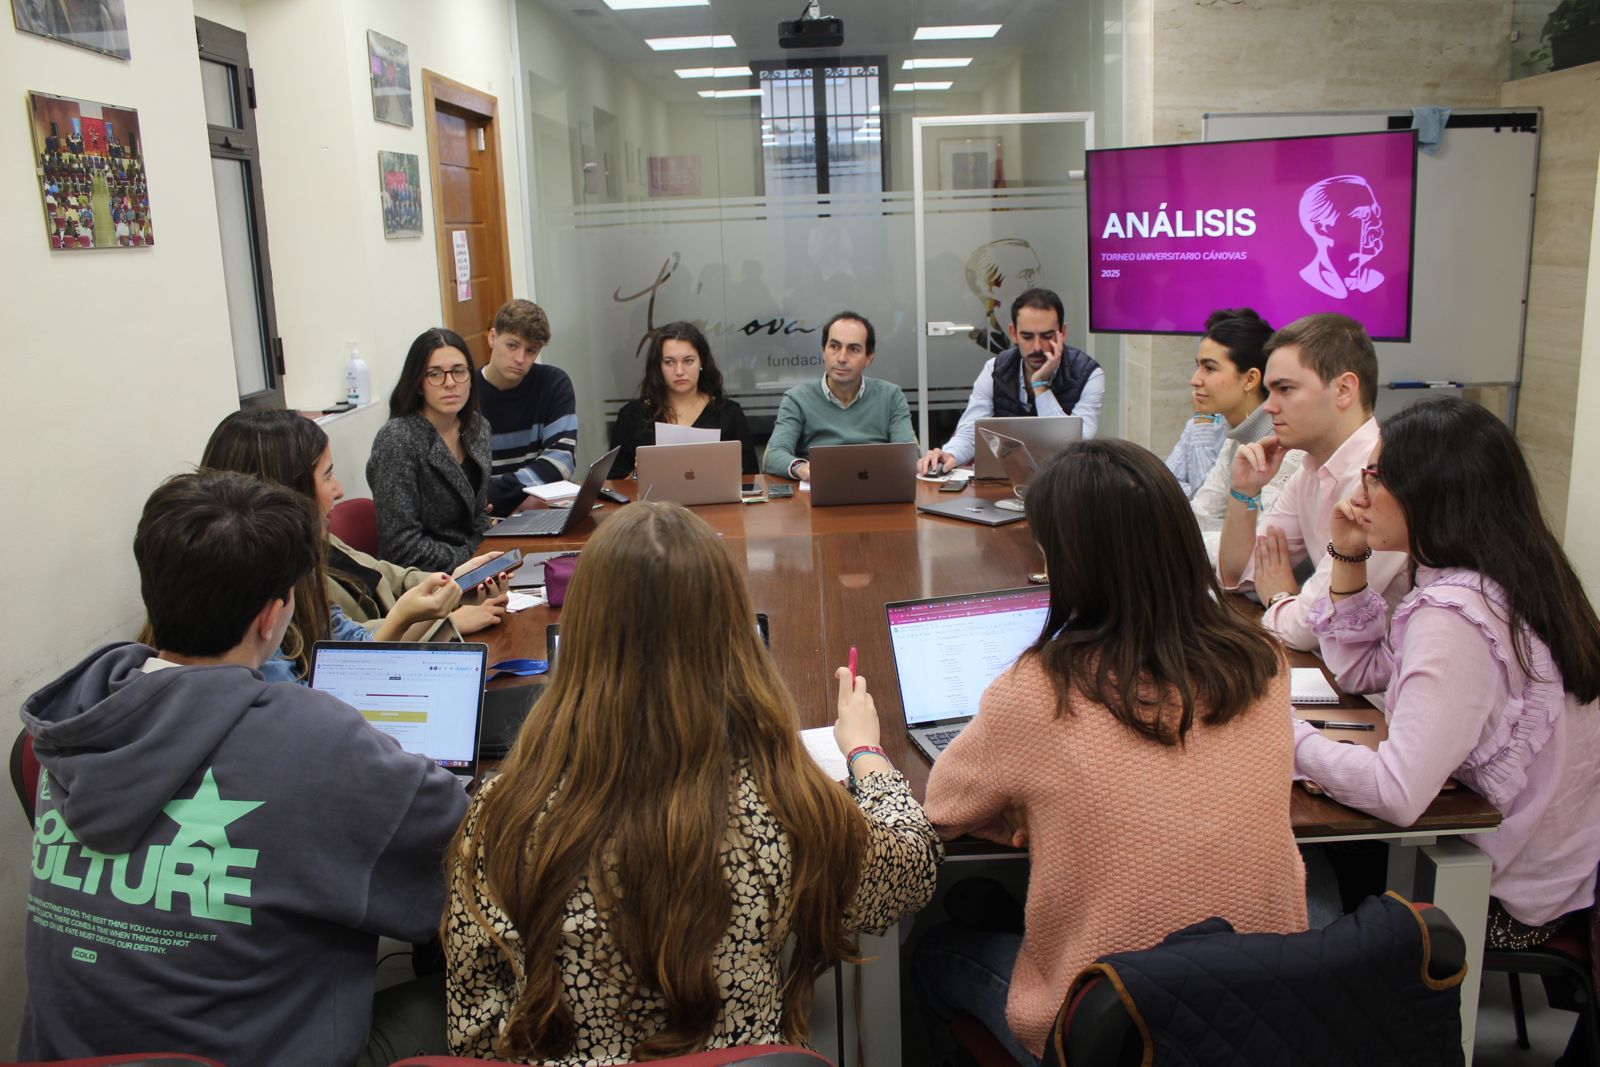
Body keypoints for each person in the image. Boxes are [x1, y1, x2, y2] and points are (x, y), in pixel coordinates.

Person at [443, 502, 942, 1063]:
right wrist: (866, 753)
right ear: (732, 636)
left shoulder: (503, 813)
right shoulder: (783, 804)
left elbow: (473, 1031)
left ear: (581, 636)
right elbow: (911, 872)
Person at [19, 470, 469, 1067]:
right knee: (493, 997)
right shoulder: (312, 738)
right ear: (270, 616)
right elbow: (471, 852)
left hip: (65, 1055)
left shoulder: (84, 721)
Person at [919, 440, 1307, 1065]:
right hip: (1263, 1019)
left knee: (933, 953)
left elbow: (942, 809)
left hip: (1110, 1035)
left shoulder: (1040, 690)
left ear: (1071, 562)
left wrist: (1026, 811)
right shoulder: (1263, 663)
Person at [1297, 397, 1600, 951]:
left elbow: (1397, 792)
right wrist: (1348, 554)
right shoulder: (1510, 572)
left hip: (1498, 894)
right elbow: (1359, 671)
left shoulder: (1456, 612)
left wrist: (1285, 738)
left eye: (1376, 475)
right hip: (1555, 874)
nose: (1360, 492)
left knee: (1301, 857)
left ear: (1430, 490)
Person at [203, 409, 510, 652]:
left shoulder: (317, 541)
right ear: (287, 489)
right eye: (327, 476)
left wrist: (454, 583)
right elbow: (344, 651)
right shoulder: (282, 589)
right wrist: (444, 619)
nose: (339, 490)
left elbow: (384, 574)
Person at [1217, 313, 1409, 651]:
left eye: (1285, 389)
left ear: (1344, 390)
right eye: (1269, 391)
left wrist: (1278, 597)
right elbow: (1238, 576)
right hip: (1348, 669)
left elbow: (1310, 628)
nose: (1268, 407)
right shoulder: (1309, 470)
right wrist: (1244, 491)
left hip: (1391, 678)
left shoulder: (1383, 477)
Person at [919, 288, 1104, 475]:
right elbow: (971, 431)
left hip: (1062, 481)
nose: (1037, 347)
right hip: (1004, 479)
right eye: (1027, 336)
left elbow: (1075, 452)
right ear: (1013, 333)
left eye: (1047, 336)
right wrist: (949, 454)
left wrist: (1040, 386)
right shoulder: (995, 369)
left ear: (1062, 333)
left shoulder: (1089, 374)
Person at [368, 327, 493, 572]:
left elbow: (477, 516)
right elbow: (400, 547)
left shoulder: (478, 428)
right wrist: (471, 556)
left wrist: (492, 547)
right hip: (424, 579)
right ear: (418, 384)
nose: (450, 383)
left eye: (459, 371)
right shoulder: (397, 439)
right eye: (435, 374)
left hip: (474, 565)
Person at [1186, 309, 1305, 535]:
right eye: (1197, 366)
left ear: (1250, 379)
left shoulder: (1287, 448)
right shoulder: (1236, 437)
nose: (1195, 380)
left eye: (1209, 368)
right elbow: (1199, 517)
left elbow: (1260, 542)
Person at [762, 311, 917, 482]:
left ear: (868, 358)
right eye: (834, 346)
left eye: (854, 349)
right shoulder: (797, 398)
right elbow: (773, 455)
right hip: (817, 489)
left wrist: (926, 462)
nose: (842, 358)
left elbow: (909, 455)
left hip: (876, 488)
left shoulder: (891, 396)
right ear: (823, 351)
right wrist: (801, 468)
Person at [608, 321, 758, 478]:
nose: (679, 371)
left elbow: (750, 477)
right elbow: (614, 482)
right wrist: (637, 474)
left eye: (688, 361)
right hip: (652, 495)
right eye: (669, 362)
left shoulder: (729, 413)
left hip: (717, 495)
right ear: (658, 366)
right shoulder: (632, 416)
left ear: (701, 362)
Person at [477, 299, 578, 517]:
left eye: (531, 350)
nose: (520, 359)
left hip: (537, 512)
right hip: (484, 518)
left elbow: (561, 462)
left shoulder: (553, 384)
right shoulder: (464, 392)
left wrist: (490, 494)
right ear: (492, 337)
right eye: (512, 345)